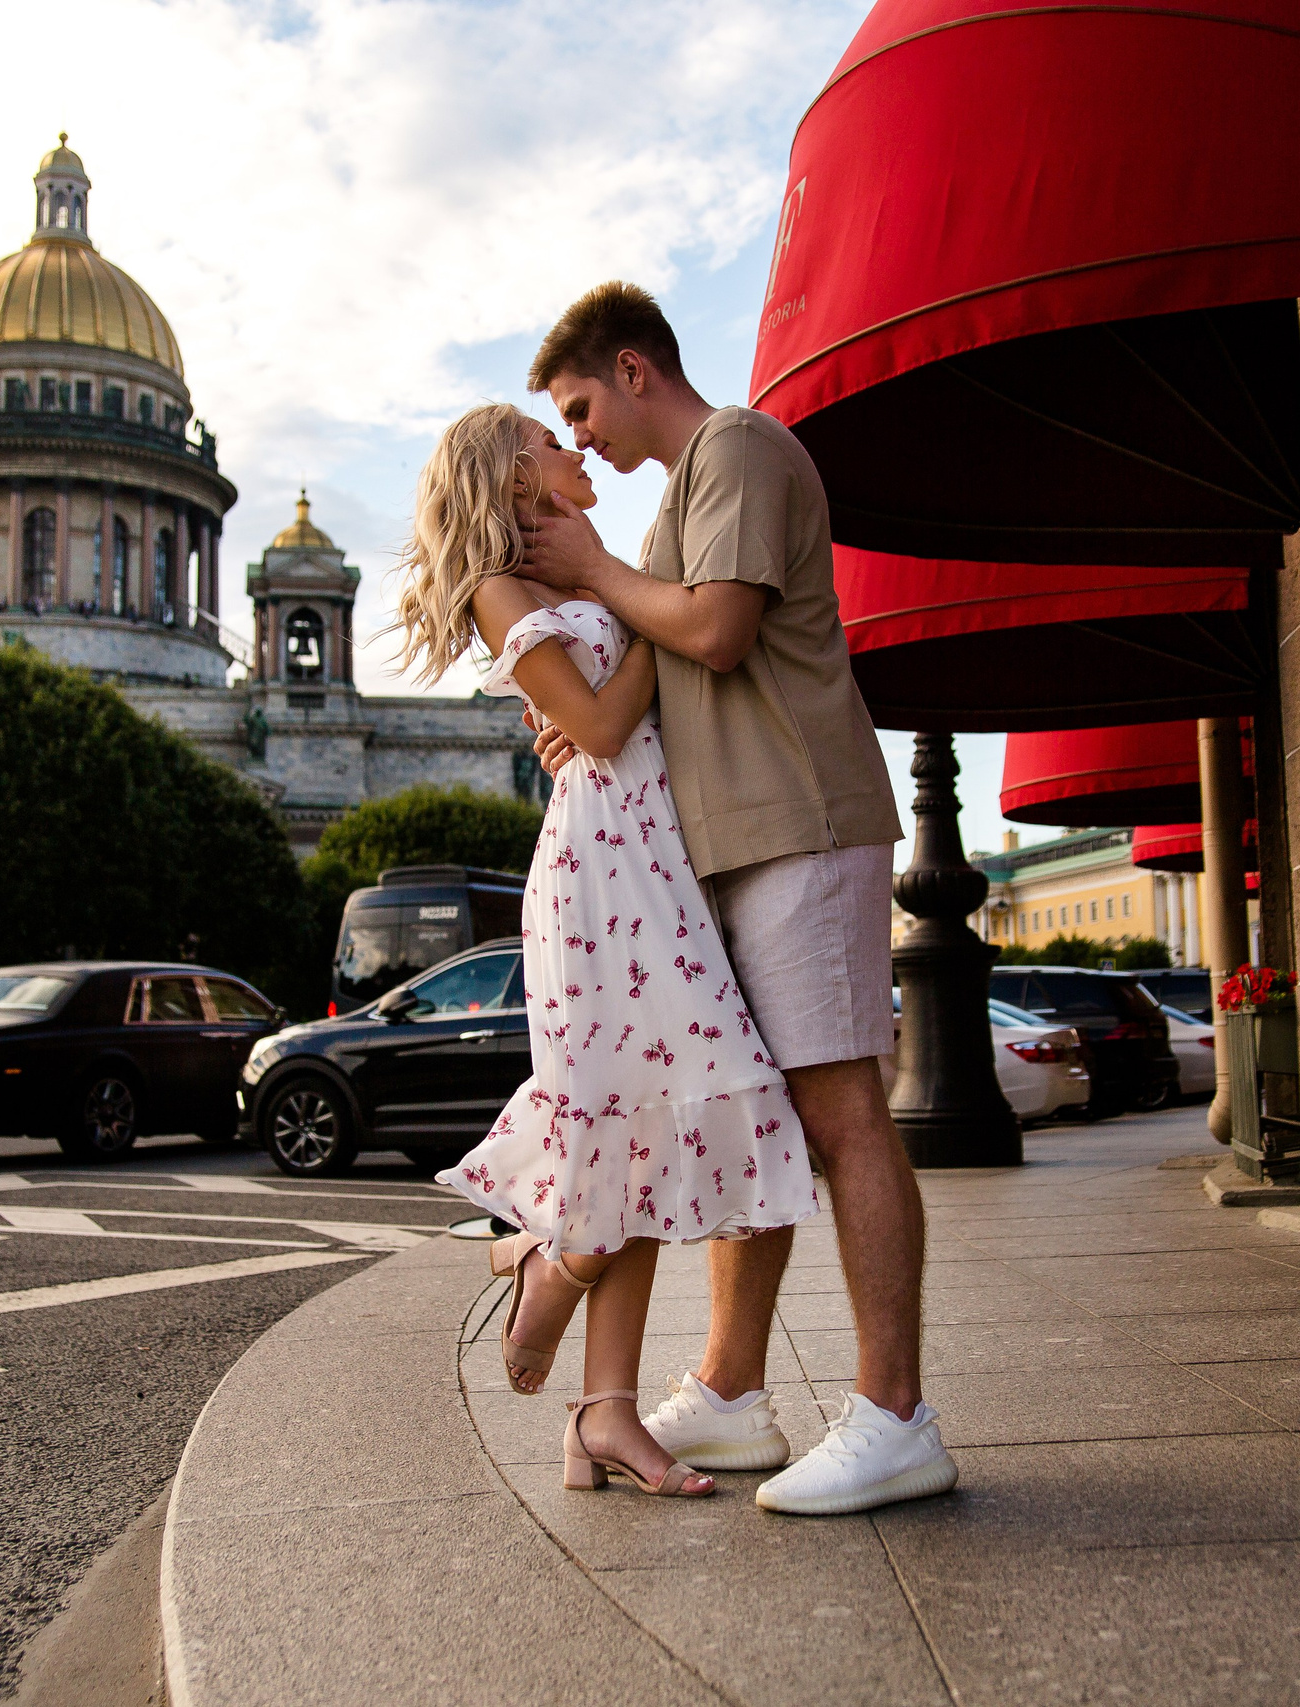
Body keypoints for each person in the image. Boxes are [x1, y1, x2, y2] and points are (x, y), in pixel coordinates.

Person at [517, 282, 956, 1516]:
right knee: (748, 1119)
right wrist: (581, 728)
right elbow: (657, 673)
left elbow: (713, 632)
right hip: (731, 845)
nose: (580, 436)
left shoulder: (741, 449)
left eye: (580, 406)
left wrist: (594, 568)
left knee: (841, 1116)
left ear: (634, 368)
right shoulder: (672, 511)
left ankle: (894, 1416)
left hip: (798, 827)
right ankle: (728, 1395)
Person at [401, 402, 822, 1500]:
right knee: (634, 1116)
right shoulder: (508, 588)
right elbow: (593, 729)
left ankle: (600, 1402)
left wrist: (625, 607)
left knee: (648, 1124)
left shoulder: (593, 575)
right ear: (510, 480)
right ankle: (554, 1269)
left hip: (657, 860)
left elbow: (665, 680)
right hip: (598, 876)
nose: (573, 450)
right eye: (550, 440)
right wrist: (645, 632)